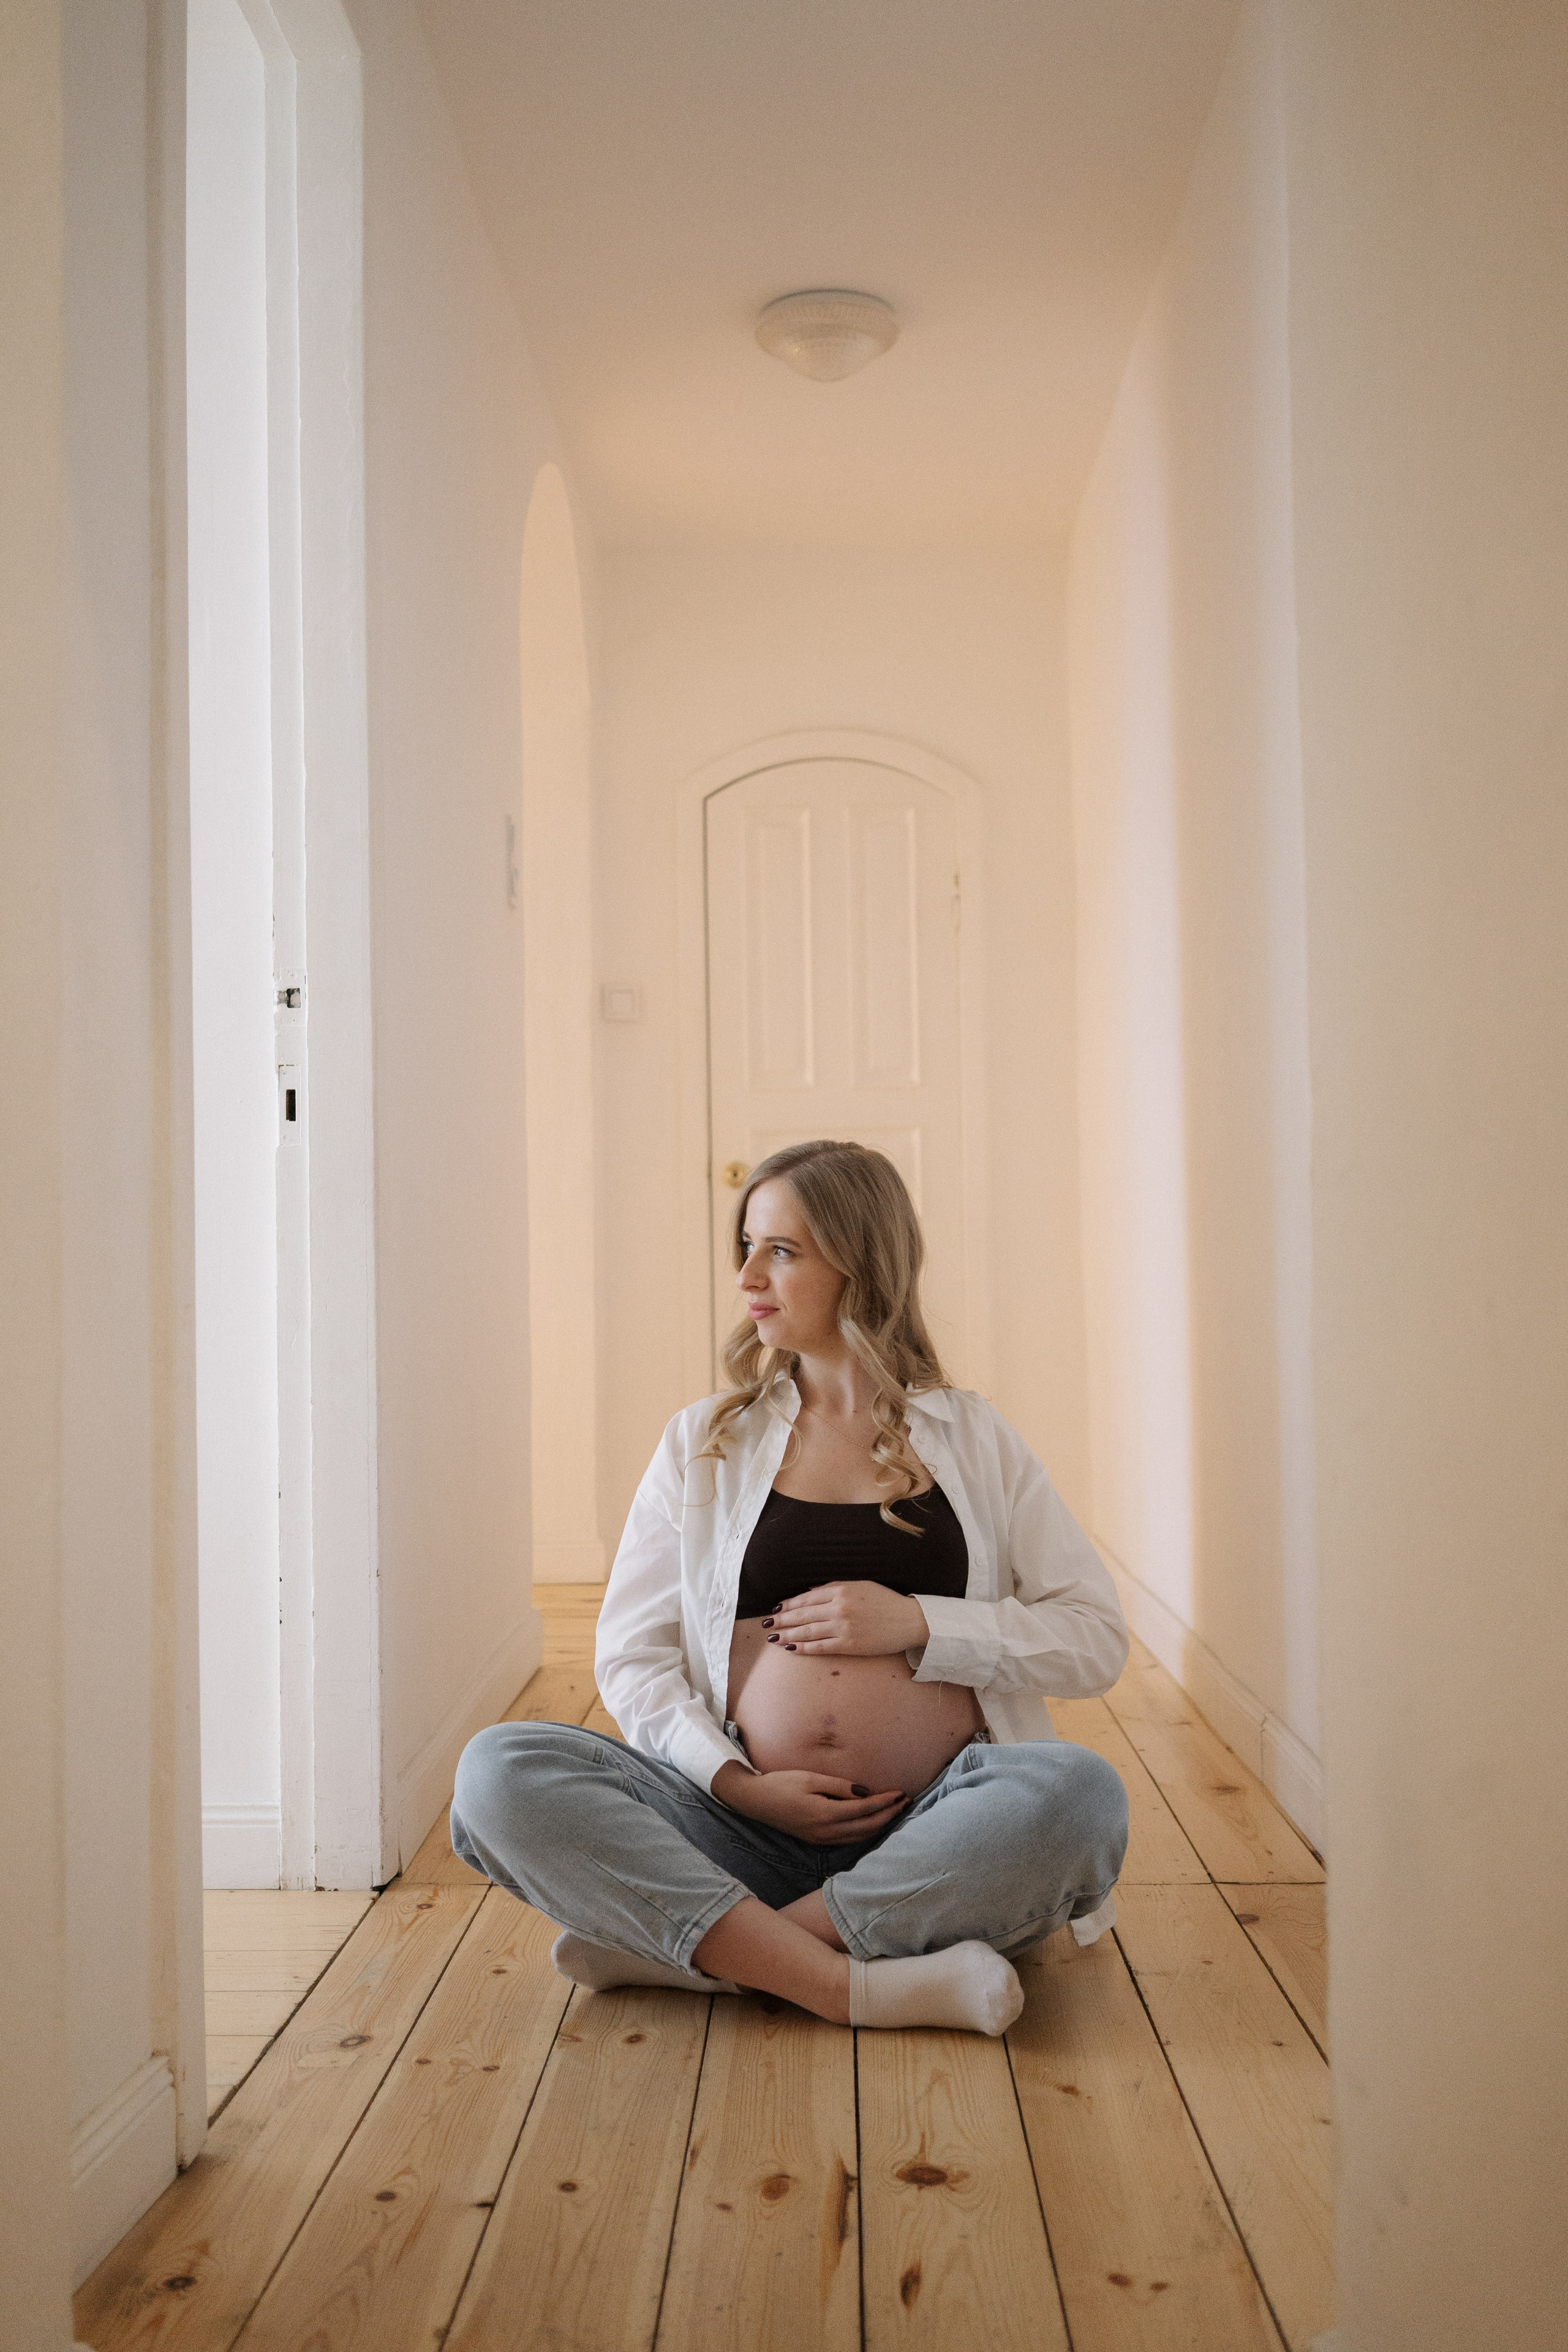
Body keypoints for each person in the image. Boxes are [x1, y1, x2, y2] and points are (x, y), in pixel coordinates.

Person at [451, 1139, 1129, 2037]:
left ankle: (712, 1953)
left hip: (935, 1829)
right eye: (746, 1247)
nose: (746, 1278)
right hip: (734, 1830)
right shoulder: (704, 1441)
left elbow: (1094, 1638)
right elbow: (631, 1655)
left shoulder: (974, 1438)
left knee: (1079, 1794)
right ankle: (862, 1982)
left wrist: (920, 1623)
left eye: (780, 1250)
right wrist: (735, 1784)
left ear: (862, 1260)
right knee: (498, 1772)